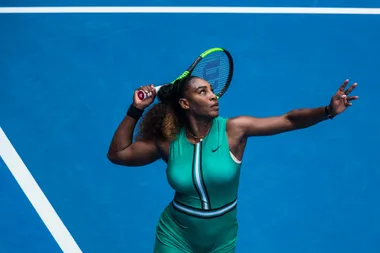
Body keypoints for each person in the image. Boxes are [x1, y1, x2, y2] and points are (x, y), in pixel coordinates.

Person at [107, 76, 358, 253]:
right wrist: (135, 109)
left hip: (221, 240)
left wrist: (327, 110)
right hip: (175, 235)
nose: (213, 96)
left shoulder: (234, 130)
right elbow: (119, 154)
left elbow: (289, 120)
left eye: (211, 90)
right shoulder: (169, 142)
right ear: (185, 104)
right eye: (202, 92)